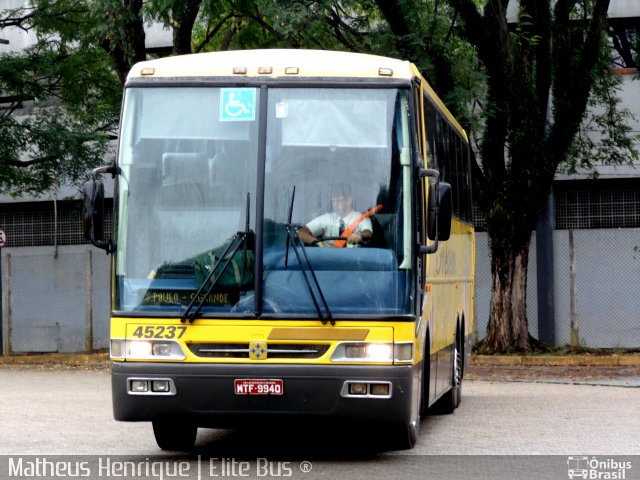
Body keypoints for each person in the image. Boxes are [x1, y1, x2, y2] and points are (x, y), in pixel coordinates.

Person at [297, 192, 373, 248]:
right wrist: (316, 242)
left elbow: (368, 233)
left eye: (338, 200)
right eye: (333, 201)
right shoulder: (327, 218)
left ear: (349, 200)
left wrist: (359, 236)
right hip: (329, 260)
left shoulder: (360, 217)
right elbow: (301, 232)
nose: (335, 204)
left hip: (354, 260)